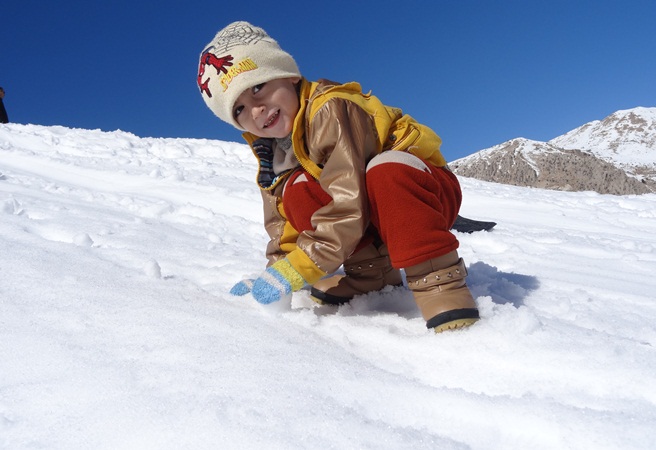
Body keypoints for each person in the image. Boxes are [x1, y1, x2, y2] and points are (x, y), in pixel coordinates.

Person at [197, 21, 479, 332]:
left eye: (257, 87)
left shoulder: (330, 110)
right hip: (369, 212)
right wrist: (277, 273)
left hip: (424, 193)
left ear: (288, 75)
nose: (257, 109)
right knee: (297, 191)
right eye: (239, 109)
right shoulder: (273, 153)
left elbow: (348, 203)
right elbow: (283, 224)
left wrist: (301, 268)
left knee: (386, 170)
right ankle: (371, 275)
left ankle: (439, 282)